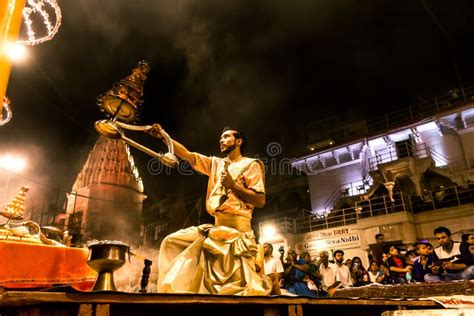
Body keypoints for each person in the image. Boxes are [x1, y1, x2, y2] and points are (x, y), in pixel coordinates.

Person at [147, 124, 271, 295]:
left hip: (238, 233)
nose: (221, 140)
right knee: (171, 241)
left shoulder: (251, 164)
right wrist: (163, 136)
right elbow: (188, 156)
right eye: (220, 137)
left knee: (235, 290)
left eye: (227, 136)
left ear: (239, 141)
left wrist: (233, 185)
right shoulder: (216, 164)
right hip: (215, 228)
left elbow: (260, 200)